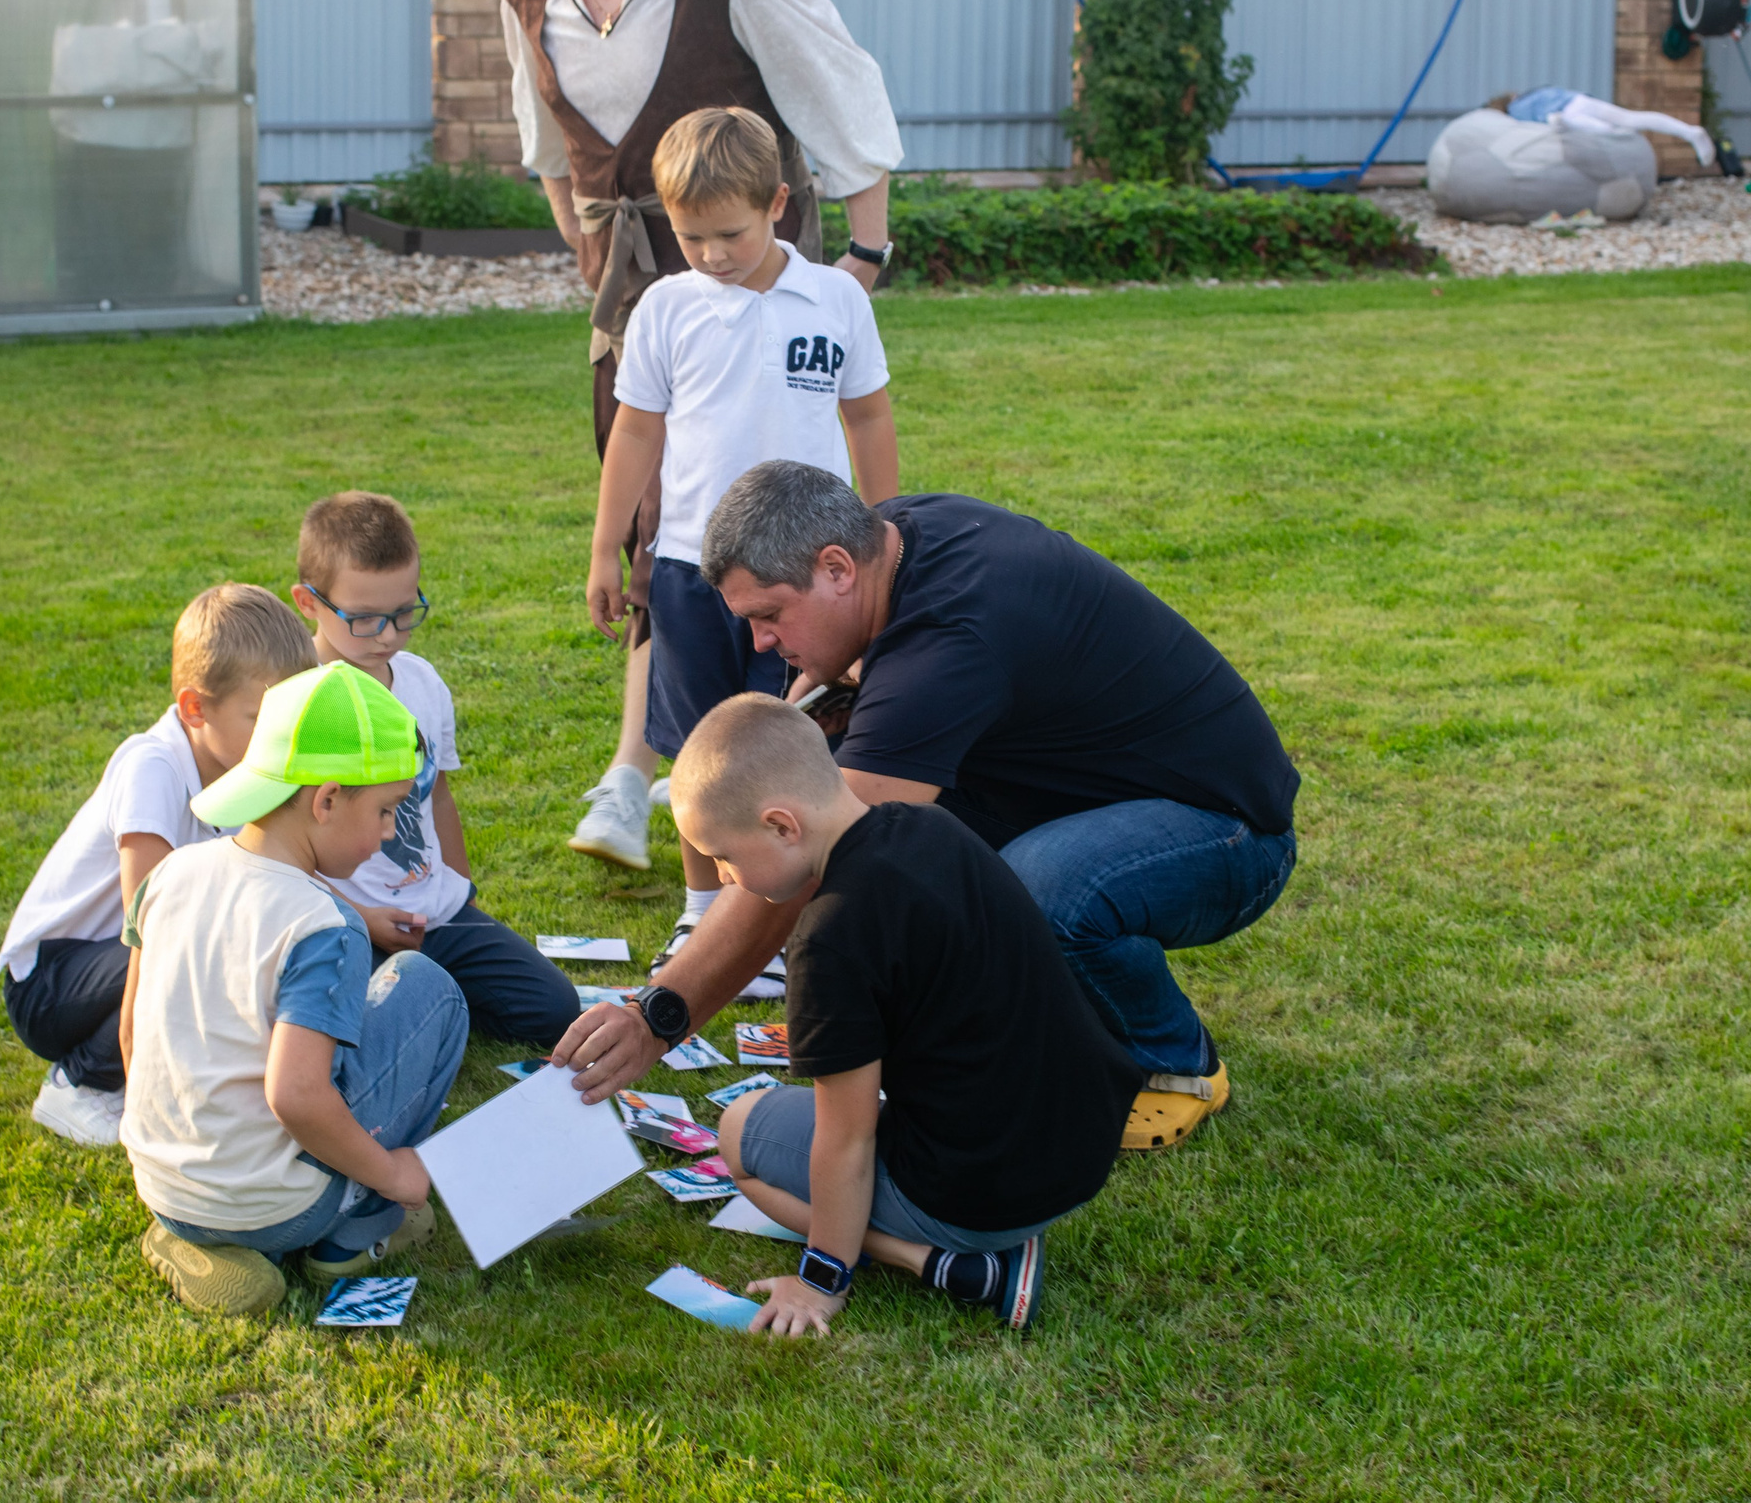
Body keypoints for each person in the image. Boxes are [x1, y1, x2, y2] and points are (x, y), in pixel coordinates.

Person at [556, 462, 1301, 1155]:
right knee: (925, 849)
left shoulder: (947, 641)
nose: (763, 641)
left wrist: (660, 1015)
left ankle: (1173, 1063)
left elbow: (811, 859)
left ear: (837, 568)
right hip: (1106, 793)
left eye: (771, 613)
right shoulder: (897, 534)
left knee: (1033, 888)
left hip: (1228, 832)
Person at [495, 0, 905, 880]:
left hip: (774, 264)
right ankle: (649, 771)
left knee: (771, 570)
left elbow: (846, 105)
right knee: (665, 533)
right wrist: (592, 262)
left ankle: (691, 783)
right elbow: (549, 149)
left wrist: (862, 261)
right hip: (636, 288)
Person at [671, 694, 1144, 1335]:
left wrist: (820, 1282)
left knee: (738, 1132)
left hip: (982, 1198)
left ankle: (948, 1264)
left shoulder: (829, 936)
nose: (725, 878)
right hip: (1085, 1148)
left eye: (723, 855)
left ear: (782, 825)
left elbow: (847, 1141)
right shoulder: (934, 825)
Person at [587, 105, 897, 997]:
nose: (712, 254)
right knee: (699, 742)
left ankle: (784, 913)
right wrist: (608, 548)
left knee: (792, 735)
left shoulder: (836, 299)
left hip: (802, 577)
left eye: (730, 233)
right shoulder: (665, 307)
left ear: (778, 204)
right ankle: (701, 910)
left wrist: (882, 536)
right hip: (691, 572)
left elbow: (868, 417)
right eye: (691, 238)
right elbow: (635, 433)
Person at [124, 661, 466, 1320]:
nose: (390, 831)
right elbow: (296, 1094)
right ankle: (356, 1226)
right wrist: (396, 1175)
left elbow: (132, 1032)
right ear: (326, 800)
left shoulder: (169, 873)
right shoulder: (324, 924)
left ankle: (187, 1232)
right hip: (282, 1207)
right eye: (386, 809)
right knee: (430, 988)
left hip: (162, 1181)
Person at [0, 582, 314, 1148]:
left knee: (232, 947)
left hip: (124, 958)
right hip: (51, 985)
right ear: (194, 708)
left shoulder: (245, 765)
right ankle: (80, 1082)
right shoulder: (152, 765)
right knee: (201, 953)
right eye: (260, 719)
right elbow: (153, 923)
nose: (281, 741)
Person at [291, 490, 580, 1047]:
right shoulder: (294, 701)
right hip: (343, 924)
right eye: (365, 619)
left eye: (404, 613)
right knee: (359, 1033)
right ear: (308, 602)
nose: (388, 636)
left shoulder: (421, 681)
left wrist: (459, 890)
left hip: (435, 914)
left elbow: (438, 795)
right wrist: (361, 916)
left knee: (555, 1009)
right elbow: (272, 851)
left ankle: (435, 1002)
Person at [1492, 87, 1719, 168]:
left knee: (1609, 133)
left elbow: (1534, 123)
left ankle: (1625, 142)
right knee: (1631, 118)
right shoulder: (1536, 92)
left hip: (1567, 114)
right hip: (1581, 100)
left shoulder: (1515, 109)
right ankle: (1689, 132)